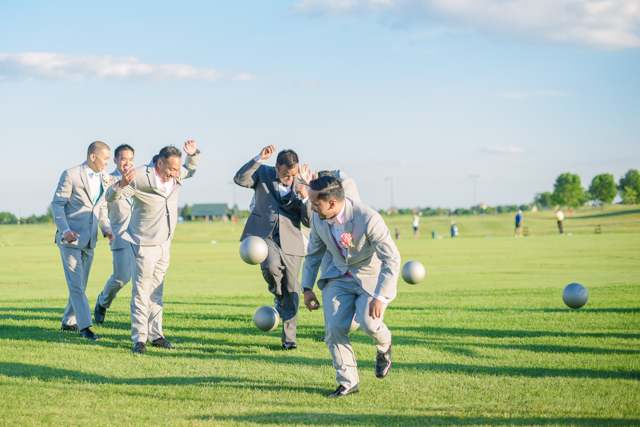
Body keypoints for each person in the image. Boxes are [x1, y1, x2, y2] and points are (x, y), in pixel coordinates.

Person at [301, 176, 400, 398]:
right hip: (338, 277)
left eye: (316, 203)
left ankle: (384, 347)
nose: (312, 207)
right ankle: (348, 383)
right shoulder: (317, 219)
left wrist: (381, 297)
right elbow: (313, 254)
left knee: (369, 324)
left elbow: (392, 259)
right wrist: (306, 288)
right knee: (334, 330)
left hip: (370, 277)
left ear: (332, 203)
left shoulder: (368, 218)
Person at [106, 141, 200, 354]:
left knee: (156, 292)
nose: (175, 173)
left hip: (165, 243)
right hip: (143, 243)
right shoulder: (138, 175)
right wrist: (120, 184)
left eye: (177, 169)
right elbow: (110, 197)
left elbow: (191, 169)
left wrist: (193, 154)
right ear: (159, 163)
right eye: (171, 169)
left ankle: (156, 335)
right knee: (141, 291)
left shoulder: (176, 174)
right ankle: (139, 339)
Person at [234, 146, 312, 350]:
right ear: (276, 168)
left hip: (292, 241)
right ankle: (278, 295)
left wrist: (305, 197)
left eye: (293, 174)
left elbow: (309, 221)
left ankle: (289, 340)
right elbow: (240, 179)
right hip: (264, 236)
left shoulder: (302, 183)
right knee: (271, 266)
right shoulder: (263, 173)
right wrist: (259, 158)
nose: (290, 178)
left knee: (293, 289)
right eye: (286, 174)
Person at [51, 141, 115, 341]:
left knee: (80, 285)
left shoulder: (105, 178)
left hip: (90, 240)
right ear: (93, 156)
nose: (108, 162)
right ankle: (85, 327)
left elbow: (102, 209)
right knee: (77, 284)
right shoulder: (70, 174)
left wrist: (106, 229)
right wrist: (65, 230)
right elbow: (57, 204)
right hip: (69, 239)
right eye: (105, 158)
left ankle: (67, 321)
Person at [94, 144, 135, 324]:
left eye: (130, 159)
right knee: (121, 278)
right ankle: (103, 302)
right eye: (123, 159)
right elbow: (102, 207)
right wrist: (106, 228)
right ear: (116, 160)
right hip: (120, 235)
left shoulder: (139, 179)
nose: (127, 163)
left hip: (142, 237)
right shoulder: (108, 180)